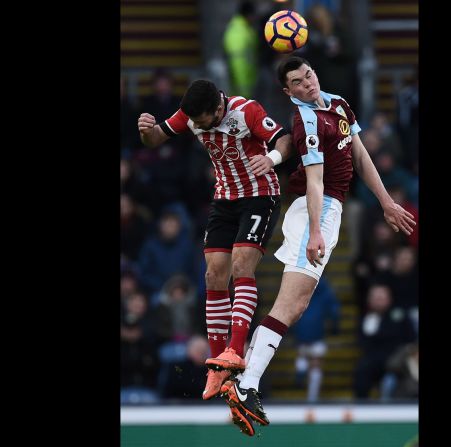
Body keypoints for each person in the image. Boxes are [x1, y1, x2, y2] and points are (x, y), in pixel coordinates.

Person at [220, 56, 416, 436]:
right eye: (298, 81)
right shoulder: (305, 120)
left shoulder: (338, 103)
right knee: (290, 304)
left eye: (308, 74)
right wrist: (314, 231)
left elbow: (360, 155)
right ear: (288, 91)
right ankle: (245, 383)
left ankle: (244, 378)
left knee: (296, 305)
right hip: (318, 208)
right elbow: (314, 181)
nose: (307, 83)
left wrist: (387, 202)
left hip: (331, 209)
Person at [137, 79, 295, 404]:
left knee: (241, 264)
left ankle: (236, 351)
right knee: (213, 274)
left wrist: (273, 159)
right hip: (224, 199)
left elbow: (284, 139)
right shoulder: (190, 114)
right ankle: (217, 364)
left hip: (260, 195)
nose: (195, 126)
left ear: (218, 109)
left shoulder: (246, 110)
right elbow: (155, 138)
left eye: (202, 121)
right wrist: (146, 129)